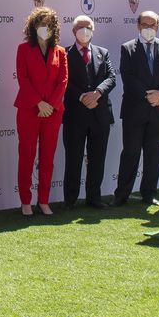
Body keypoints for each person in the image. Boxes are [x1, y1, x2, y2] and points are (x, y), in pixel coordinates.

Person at [113, 11, 159, 207]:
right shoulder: (128, 48)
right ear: (138, 26)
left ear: (158, 26)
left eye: (153, 24)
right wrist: (149, 96)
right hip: (135, 109)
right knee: (131, 152)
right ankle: (121, 195)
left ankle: (149, 194)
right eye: (145, 24)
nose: (149, 28)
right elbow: (128, 76)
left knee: (154, 154)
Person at [15, 6, 67, 216]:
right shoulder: (23, 49)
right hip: (29, 110)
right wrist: (39, 103)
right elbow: (23, 79)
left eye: (48, 25)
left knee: (47, 157)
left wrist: (51, 104)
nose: (44, 28)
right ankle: (26, 201)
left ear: (54, 28)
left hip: (53, 112)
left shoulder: (60, 52)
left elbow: (63, 80)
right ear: (33, 26)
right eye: (40, 24)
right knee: (26, 155)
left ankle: (43, 200)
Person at [62, 14, 115, 210]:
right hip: (75, 115)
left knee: (97, 158)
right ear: (73, 31)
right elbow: (64, 81)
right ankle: (70, 200)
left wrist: (97, 93)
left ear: (93, 30)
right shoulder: (64, 54)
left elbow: (111, 78)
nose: (85, 31)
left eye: (88, 27)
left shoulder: (103, 52)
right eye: (80, 27)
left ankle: (94, 197)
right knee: (73, 158)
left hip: (99, 114)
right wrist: (83, 97)